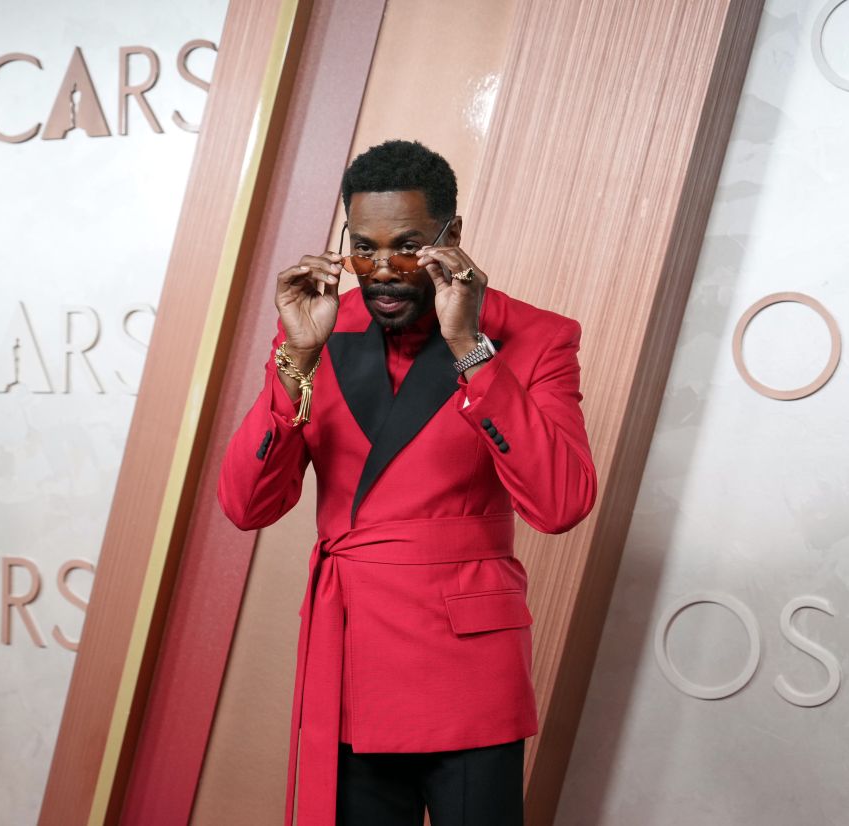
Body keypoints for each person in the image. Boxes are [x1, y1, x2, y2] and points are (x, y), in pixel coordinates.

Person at [217, 139, 597, 826]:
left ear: (452, 238)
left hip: (467, 668)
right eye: (365, 247)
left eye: (408, 246)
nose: (383, 270)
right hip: (350, 657)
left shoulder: (536, 337)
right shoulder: (320, 329)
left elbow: (562, 502)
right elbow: (245, 505)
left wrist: (470, 350)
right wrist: (296, 357)